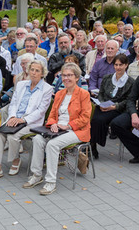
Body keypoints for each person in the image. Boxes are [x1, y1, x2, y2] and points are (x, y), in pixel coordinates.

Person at [23, 63, 91, 195]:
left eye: (69, 75)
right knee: (37, 139)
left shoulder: (84, 94)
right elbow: (52, 114)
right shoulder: (59, 93)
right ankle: (36, 175)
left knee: (52, 144)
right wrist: (53, 124)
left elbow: (85, 117)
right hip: (58, 128)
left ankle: (50, 182)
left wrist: (68, 125)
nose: (66, 78)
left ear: (77, 78)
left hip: (76, 130)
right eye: (64, 75)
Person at [0, 61, 53, 180]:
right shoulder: (22, 84)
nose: (33, 73)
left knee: (13, 136)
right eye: (32, 69)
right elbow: (13, 104)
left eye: (37, 71)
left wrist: (22, 120)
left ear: (42, 74)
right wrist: (12, 117)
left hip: (31, 122)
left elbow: (41, 111)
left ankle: (16, 159)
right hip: (14, 119)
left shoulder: (47, 89)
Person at [90, 54, 132, 158]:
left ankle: (94, 145)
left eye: (120, 65)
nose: (118, 67)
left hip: (118, 108)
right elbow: (101, 93)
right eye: (116, 65)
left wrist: (114, 107)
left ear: (126, 65)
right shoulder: (107, 78)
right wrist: (102, 103)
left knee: (100, 120)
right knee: (92, 118)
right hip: (104, 105)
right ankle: (92, 145)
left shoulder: (131, 82)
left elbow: (128, 100)